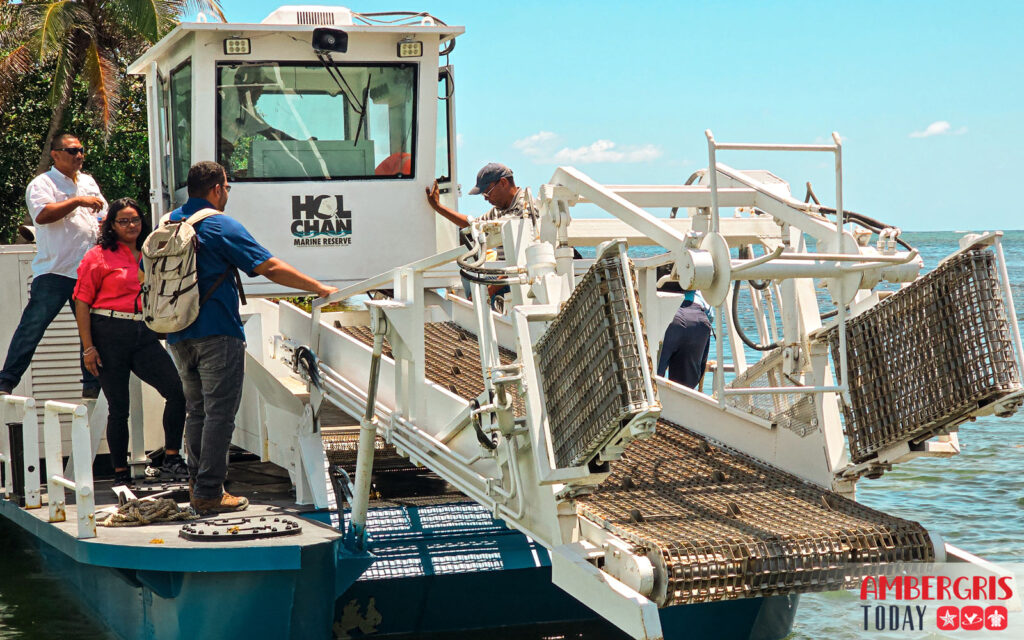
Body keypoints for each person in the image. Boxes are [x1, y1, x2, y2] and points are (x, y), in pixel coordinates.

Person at [166, 161, 337, 515]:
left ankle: (198, 484)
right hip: (217, 332)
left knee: (196, 411)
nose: (227, 193)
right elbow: (268, 266)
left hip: (178, 333)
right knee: (219, 414)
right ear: (217, 189)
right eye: (227, 187)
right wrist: (318, 287)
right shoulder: (219, 224)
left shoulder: (167, 223)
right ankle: (210, 493)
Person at [73, 198, 188, 486]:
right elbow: (82, 303)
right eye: (123, 221)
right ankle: (120, 473)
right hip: (108, 332)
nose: (131, 225)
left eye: (135, 219)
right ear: (111, 225)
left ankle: (172, 458)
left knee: (176, 391)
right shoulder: (98, 256)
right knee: (118, 408)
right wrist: (88, 348)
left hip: (143, 331)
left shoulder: (151, 253)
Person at [0, 134, 105, 398]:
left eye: (81, 150)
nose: (79, 155)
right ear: (55, 154)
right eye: (72, 150)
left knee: (91, 331)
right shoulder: (42, 183)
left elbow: (103, 215)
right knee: (33, 326)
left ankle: (91, 386)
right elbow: (42, 215)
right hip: (56, 271)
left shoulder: (88, 182)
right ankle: (6, 380)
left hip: (87, 270)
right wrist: (78, 201)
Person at [425, 163, 537, 302]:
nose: (485, 198)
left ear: (503, 183)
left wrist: (489, 290)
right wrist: (438, 207)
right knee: (468, 274)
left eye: (487, 192)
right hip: (506, 272)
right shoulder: (500, 210)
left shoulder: (525, 208)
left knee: (474, 280)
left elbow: (523, 261)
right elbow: (473, 225)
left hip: (520, 275)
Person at [657, 290, 714, 390]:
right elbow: (710, 317)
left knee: (653, 376)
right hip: (699, 320)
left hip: (671, 316)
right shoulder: (702, 292)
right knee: (684, 389)